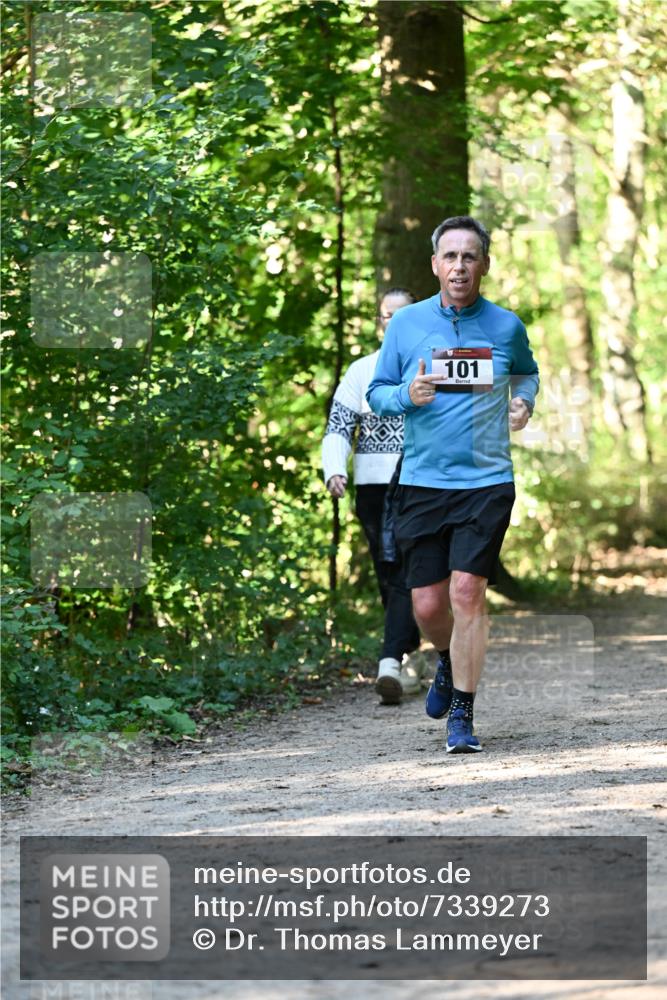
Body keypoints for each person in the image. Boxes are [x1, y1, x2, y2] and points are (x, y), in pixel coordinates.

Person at [366, 216, 539, 753]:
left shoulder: (506, 325)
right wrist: (406, 396)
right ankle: (447, 661)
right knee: (427, 607)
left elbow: (527, 372)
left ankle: (462, 714)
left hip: (487, 479)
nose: (460, 266)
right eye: (451, 257)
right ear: (435, 265)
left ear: (484, 264)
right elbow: (377, 391)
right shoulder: (407, 325)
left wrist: (523, 401)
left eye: (470, 256)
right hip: (422, 481)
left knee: (468, 594)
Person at [322, 288, 421, 705]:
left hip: (420, 482)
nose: (393, 323)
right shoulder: (361, 372)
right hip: (372, 488)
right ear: (379, 321)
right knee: (387, 572)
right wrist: (335, 469)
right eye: (387, 316)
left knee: (402, 568)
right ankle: (411, 654)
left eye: (402, 316)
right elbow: (338, 427)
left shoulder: (429, 367)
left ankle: (389, 661)